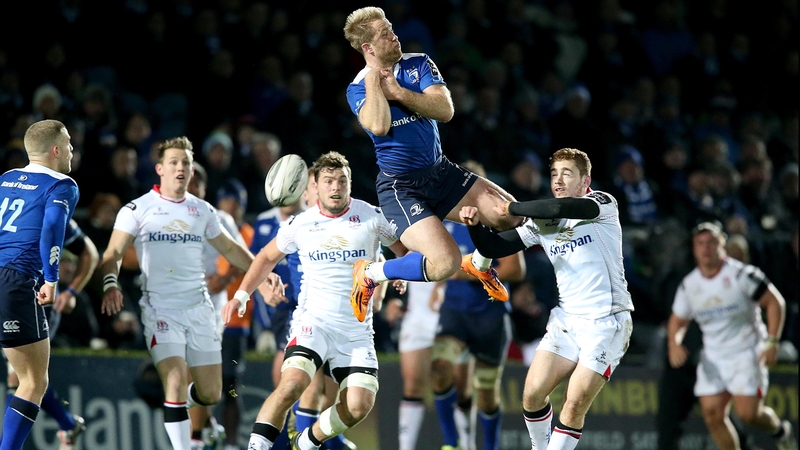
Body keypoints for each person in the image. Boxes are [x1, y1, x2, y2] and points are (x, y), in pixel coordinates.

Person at [96, 136, 277, 450]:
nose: (180, 167)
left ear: (192, 170)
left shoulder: (202, 211)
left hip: (200, 309)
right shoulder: (137, 209)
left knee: (210, 393)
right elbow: (112, 253)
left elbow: (232, 250)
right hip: (160, 309)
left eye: (186, 163)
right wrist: (111, 283)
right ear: (160, 169)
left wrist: (261, 277)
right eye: (174, 162)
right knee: (177, 379)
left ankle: (181, 408)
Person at [343, 6, 523, 319]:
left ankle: (478, 264)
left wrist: (399, 92)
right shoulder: (358, 87)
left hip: (441, 172)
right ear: (368, 48)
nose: (394, 36)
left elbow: (445, 110)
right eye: (385, 34)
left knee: (508, 216)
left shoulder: (418, 63)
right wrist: (375, 80)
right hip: (401, 189)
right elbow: (379, 126)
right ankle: (371, 273)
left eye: (391, 28)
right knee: (444, 263)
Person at [221, 151, 408, 450]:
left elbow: (404, 252)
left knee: (359, 405)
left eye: (342, 181)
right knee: (292, 385)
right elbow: (266, 257)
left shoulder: (373, 217)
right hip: (313, 324)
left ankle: (307, 441)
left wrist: (400, 272)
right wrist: (242, 295)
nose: (336, 187)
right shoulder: (301, 224)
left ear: (349, 184)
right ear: (315, 187)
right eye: (328, 181)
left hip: (355, 331)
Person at [459, 147, 634, 449]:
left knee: (574, 404)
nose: (558, 180)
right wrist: (475, 226)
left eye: (567, 174)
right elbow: (494, 248)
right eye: (554, 174)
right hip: (566, 320)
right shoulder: (542, 222)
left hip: (607, 322)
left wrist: (511, 208)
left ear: (585, 180)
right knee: (532, 395)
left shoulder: (601, 204)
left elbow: (559, 207)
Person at [667, 222, 796, 450]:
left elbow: (775, 302)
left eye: (711, 242)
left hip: (746, 351)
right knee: (712, 414)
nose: (706, 248)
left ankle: (780, 431)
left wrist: (772, 341)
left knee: (748, 414)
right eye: (700, 243)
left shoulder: (742, 275)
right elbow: (677, 321)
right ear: (694, 249)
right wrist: (674, 344)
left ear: (722, 245)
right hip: (714, 356)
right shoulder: (689, 285)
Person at [0, 119, 79, 450]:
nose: (73, 149)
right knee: (33, 381)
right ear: (56, 150)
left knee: (18, 376)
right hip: (16, 280)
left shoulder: (5, 179)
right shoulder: (62, 185)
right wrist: (52, 279)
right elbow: (52, 229)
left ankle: (68, 424)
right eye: (69, 143)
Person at [431, 218, 525, 450]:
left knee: (486, 393)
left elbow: (515, 270)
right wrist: (438, 286)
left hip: (490, 316)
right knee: (440, 367)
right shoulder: (445, 219)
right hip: (454, 311)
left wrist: (467, 274)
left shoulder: (497, 222)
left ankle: (490, 447)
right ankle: (450, 444)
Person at [187, 163, 244, 449]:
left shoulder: (218, 217)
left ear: (204, 187)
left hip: (210, 306)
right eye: (186, 180)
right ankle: (208, 426)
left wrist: (223, 279)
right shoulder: (163, 216)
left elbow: (240, 257)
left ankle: (196, 438)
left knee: (195, 368)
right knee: (187, 374)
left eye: (196, 182)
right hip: (174, 304)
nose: (190, 186)